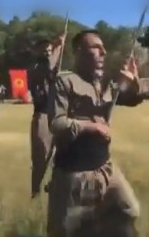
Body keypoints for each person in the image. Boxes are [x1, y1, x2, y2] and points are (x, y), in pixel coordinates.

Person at [46, 30, 143, 237]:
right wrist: (92, 126)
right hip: (74, 172)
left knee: (129, 210)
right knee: (66, 230)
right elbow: (56, 123)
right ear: (79, 52)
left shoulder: (105, 84)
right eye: (96, 47)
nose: (103, 52)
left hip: (104, 167)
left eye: (103, 47)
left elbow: (133, 98)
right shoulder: (65, 82)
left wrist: (133, 80)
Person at [28, 35, 64, 198]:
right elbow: (49, 65)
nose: (48, 53)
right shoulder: (37, 68)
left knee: (64, 155)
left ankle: (55, 185)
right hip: (42, 116)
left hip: (57, 115)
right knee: (41, 159)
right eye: (44, 51)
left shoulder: (53, 69)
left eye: (50, 50)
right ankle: (35, 192)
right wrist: (59, 46)